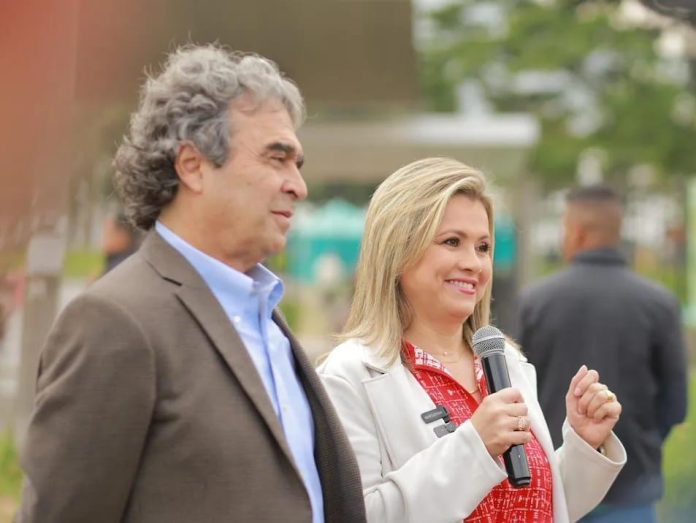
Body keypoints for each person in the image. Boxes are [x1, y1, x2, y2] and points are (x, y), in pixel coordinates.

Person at [18, 44, 366, 523]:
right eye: (276, 158)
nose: (298, 186)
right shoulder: (114, 322)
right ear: (192, 166)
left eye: (297, 165)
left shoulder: (267, 318)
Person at [318, 157, 627, 523]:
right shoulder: (349, 376)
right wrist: (474, 446)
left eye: (483, 247)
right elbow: (360, 514)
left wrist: (583, 444)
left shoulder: (505, 362)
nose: (474, 264)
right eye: (452, 242)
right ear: (397, 250)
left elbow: (536, 506)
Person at [515, 185, 688, 523]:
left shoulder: (535, 302)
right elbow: (675, 406)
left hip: (554, 491)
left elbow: (518, 392)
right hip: (632, 493)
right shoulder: (659, 303)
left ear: (577, 232)